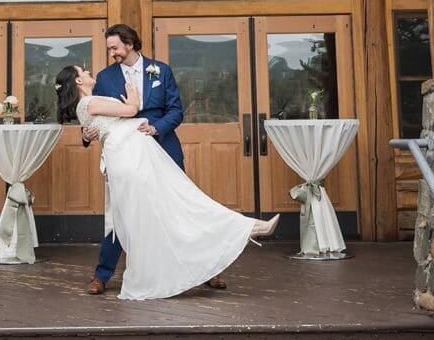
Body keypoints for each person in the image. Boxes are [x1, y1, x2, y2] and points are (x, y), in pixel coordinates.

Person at [55, 63, 280, 302]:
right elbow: (130, 110)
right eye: (83, 71)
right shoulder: (94, 94)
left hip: (139, 152)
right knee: (168, 207)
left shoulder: (157, 71)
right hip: (131, 157)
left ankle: (230, 239)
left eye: (115, 46)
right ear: (78, 81)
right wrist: (132, 97)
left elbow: (168, 111)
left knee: (171, 205)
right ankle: (243, 229)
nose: (90, 71)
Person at [82, 24, 229, 294]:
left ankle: (208, 269)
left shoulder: (161, 70)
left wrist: (155, 128)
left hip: (162, 147)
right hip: (126, 154)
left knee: (178, 211)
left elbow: (176, 111)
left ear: (129, 43)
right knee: (121, 211)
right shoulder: (105, 77)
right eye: (109, 48)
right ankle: (102, 275)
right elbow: (97, 117)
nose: (112, 52)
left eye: (115, 47)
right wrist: (87, 132)